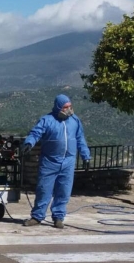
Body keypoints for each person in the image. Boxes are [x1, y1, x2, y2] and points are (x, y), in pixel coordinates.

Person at [21, 94, 91, 229]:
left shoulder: (74, 121)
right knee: (44, 189)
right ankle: (37, 216)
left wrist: (85, 156)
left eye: (70, 106)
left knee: (63, 190)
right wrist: (29, 143)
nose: (69, 109)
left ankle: (58, 217)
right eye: (66, 107)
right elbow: (36, 133)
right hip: (50, 161)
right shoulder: (47, 120)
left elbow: (80, 139)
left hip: (68, 162)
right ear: (59, 107)